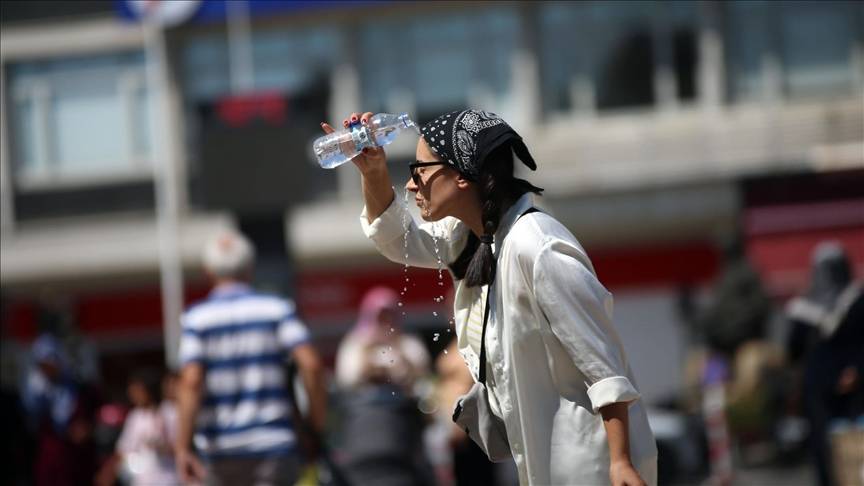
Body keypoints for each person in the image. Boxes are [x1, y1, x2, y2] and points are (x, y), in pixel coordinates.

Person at [321, 109, 657, 485]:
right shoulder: (475, 238)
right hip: (546, 460)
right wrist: (373, 173)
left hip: (592, 462)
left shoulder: (536, 245)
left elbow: (601, 360)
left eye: (420, 171)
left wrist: (621, 460)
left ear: (462, 176)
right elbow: (400, 241)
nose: (412, 186)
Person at [174, 230, 327, 486]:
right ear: (249, 268)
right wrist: (314, 426)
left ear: (208, 272)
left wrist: (182, 446)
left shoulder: (196, 319)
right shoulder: (276, 310)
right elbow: (311, 365)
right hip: (274, 446)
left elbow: (191, 382)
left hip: (219, 452)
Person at [334, 286, 434, 486]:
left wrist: (396, 353)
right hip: (365, 430)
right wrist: (371, 361)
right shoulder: (355, 343)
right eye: (381, 316)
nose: (385, 322)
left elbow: (419, 372)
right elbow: (348, 377)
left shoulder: (406, 342)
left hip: (402, 431)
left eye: (389, 315)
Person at [785, 242, 863, 486]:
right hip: (833, 384)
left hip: (832, 383)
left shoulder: (856, 302)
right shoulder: (806, 308)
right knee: (826, 448)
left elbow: (793, 351)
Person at [96, 368, 179, 486]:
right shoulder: (135, 417)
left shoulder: (170, 412)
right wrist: (108, 473)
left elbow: (181, 447)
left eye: (138, 390)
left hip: (169, 479)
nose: (133, 395)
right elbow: (123, 449)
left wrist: (163, 447)